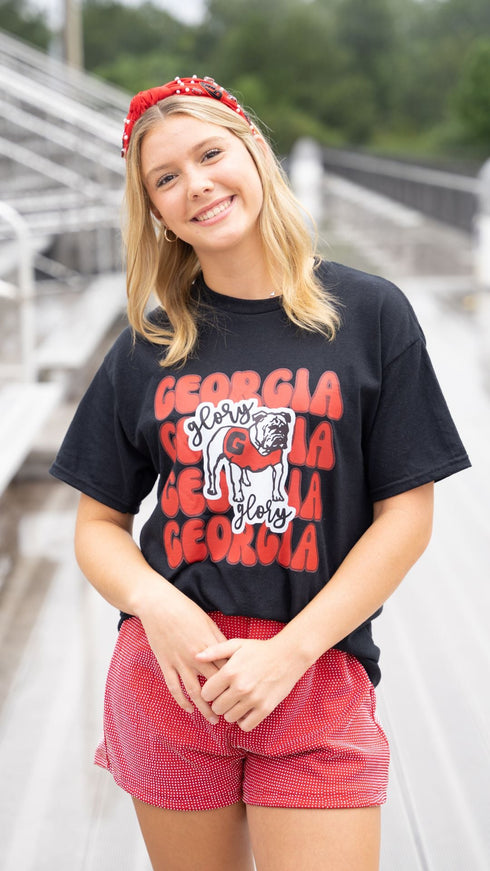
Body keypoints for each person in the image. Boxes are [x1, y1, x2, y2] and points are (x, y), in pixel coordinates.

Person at [50, 75, 470, 871]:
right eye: (166, 177)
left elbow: (407, 515)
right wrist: (156, 606)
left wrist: (293, 650)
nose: (196, 185)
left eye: (210, 154)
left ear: (255, 153)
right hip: (173, 679)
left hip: (313, 673)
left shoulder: (370, 313)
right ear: (155, 210)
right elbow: (97, 524)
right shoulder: (148, 345)